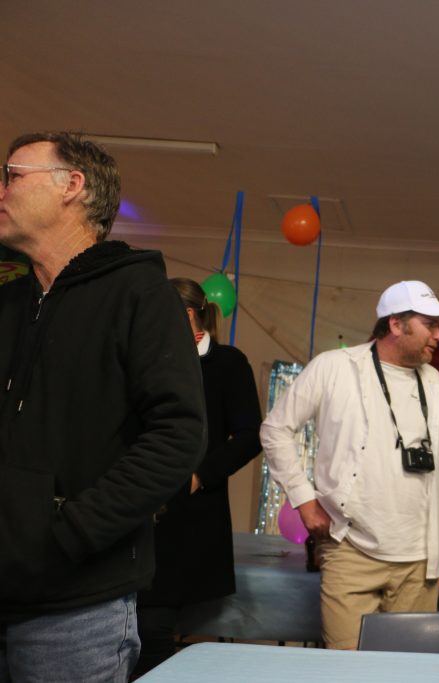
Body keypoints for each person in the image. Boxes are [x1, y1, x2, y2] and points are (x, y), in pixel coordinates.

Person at [0, 132, 206, 682]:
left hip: (75, 608)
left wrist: (70, 534)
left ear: (71, 185)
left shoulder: (141, 296)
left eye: (12, 175)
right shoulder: (9, 303)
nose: (2, 190)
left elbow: (178, 437)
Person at [261, 280, 439, 649]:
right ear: (396, 324)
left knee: (409, 672)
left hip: (419, 563)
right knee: (347, 669)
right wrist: (304, 499)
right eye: (430, 325)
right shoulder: (334, 368)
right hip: (349, 551)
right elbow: (276, 429)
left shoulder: (438, 390)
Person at [134, 278, 263, 675]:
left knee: (154, 625)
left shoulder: (228, 363)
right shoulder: (146, 358)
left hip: (190, 516)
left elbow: (249, 435)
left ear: (187, 314)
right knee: (137, 625)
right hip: (138, 504)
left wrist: (199, 477)